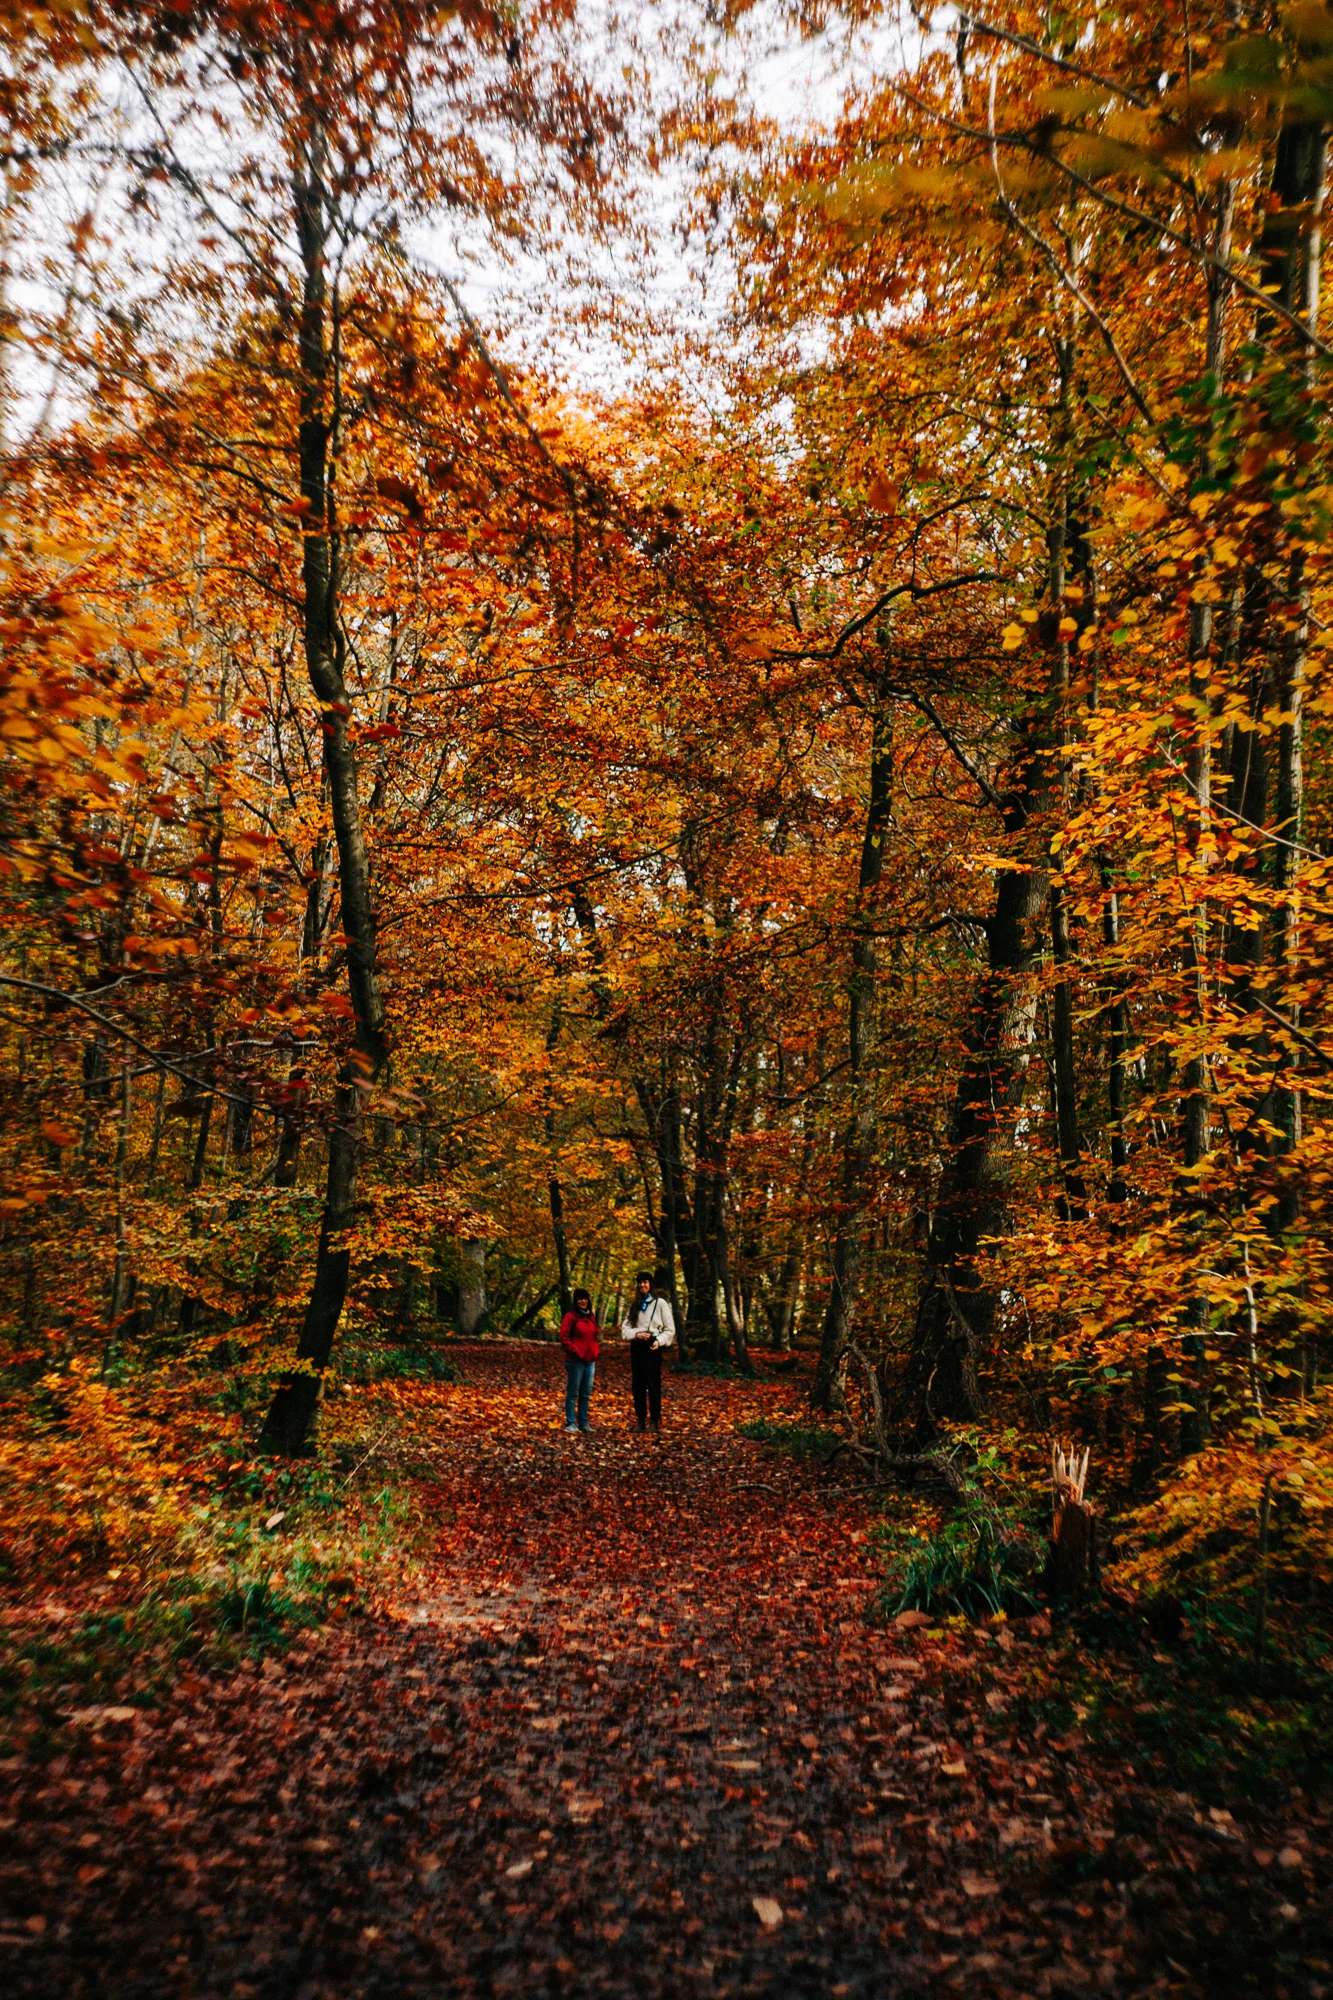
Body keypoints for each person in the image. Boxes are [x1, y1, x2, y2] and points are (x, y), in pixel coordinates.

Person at [620, 1269, 675, 1433]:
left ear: (650, 1284)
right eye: (640, 1282)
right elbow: (625, 1329)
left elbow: (669, 1329)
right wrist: (636, 1334)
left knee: (653, 1385)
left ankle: (654, 1420)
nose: (642, 1285)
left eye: (645, 1282)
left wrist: (659, 1341)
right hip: (637, 1347)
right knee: (637, 1385)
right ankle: (640, 1419)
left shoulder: (660, 1303)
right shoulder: (634, 1305)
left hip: (652, 1347)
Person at [558, 1287, 600, 1436]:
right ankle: (570, 1422)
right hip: (575, 1361)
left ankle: (583, 1422)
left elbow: (594, 1336)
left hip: (590, 1361)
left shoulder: (591, 1317)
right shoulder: (570, 1317)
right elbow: (564, 1337)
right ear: (576, 1301)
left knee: (586, 1393)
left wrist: (595, 1351)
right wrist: (576, 1351)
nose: (583, 1301)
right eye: (580, 1299)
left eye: (585, 1298)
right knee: (573, 1392)